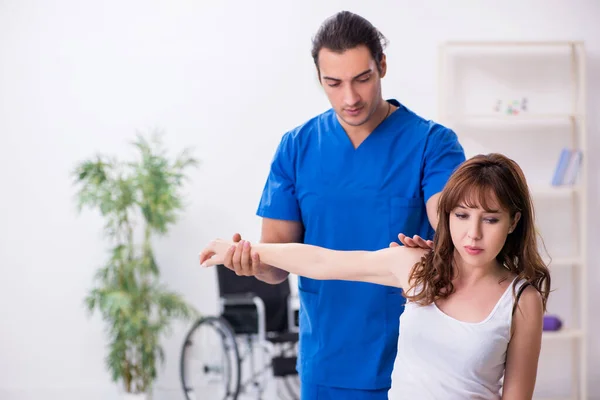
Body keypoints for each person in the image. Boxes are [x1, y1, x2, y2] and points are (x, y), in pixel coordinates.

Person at [221, 11, 465, 399]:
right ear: (318, 77)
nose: (349, 98)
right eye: (333, 83)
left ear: (382, 66)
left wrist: (452, 241)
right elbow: (276, 261)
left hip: (412, 364)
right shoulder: (297, 148)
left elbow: (454, 223)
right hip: (326, 361)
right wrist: (250, 261)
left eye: (362, 79)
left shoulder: (432, 144)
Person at [200, 153, 552, 400]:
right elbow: (323, 261)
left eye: (490, 220)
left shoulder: (522, 301)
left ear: (513, 222)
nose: (473, 234)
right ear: (447, 216)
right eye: (461, 216)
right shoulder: (418, 267)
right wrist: (248, 250)